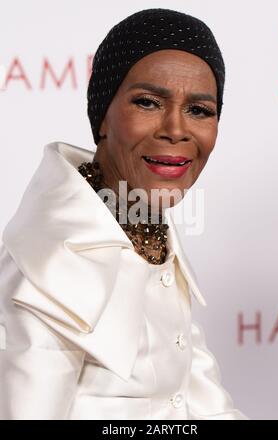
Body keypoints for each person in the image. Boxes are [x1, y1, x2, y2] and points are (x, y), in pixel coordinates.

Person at [0, 8, 248, 419]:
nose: (176, 129)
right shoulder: (48, 263)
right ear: (103, 118)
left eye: (200, 110)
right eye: (148, 102)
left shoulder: (147, 226)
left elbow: (200, 399)